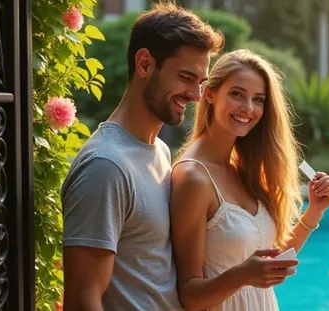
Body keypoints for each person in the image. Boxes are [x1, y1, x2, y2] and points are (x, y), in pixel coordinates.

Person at [60, 3, 223, 310]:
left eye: (200, 83)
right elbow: (83, 300)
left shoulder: (159, 150)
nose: (196, 95)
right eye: (186, 77)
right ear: (145, 64)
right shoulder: (106, 166)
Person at [169, 49, 329, 311]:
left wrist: (314, 212)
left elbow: (269, 260)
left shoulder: (241, 168)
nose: (248, 108)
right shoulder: (194, 178)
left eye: (258, 99)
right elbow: (189, 296)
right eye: (237, 94)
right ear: (210, 94)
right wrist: (243, 275)